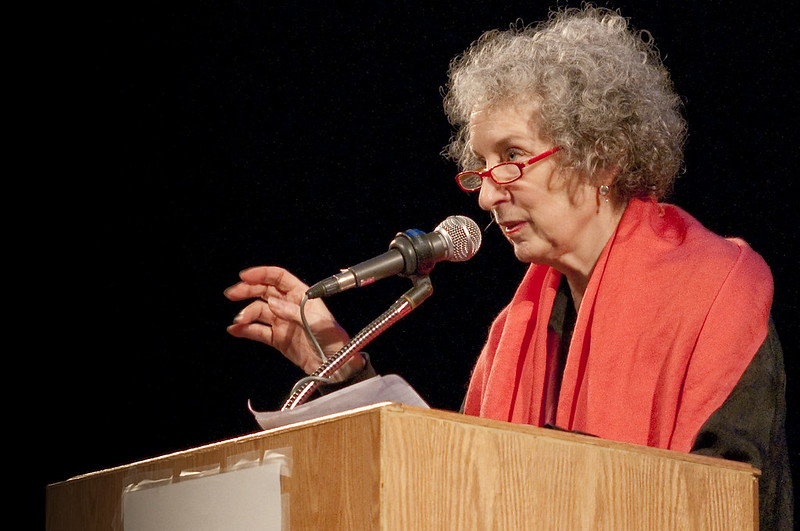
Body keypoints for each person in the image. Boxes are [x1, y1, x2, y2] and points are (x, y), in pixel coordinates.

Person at [224, 7, 791, 528]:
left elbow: (728, 502)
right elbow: (462, 490)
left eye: (513, 158)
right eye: (480, 166)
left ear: (604, 157)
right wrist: (343, 368)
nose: (487, 196)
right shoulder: (514, 331)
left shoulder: (714, 289)